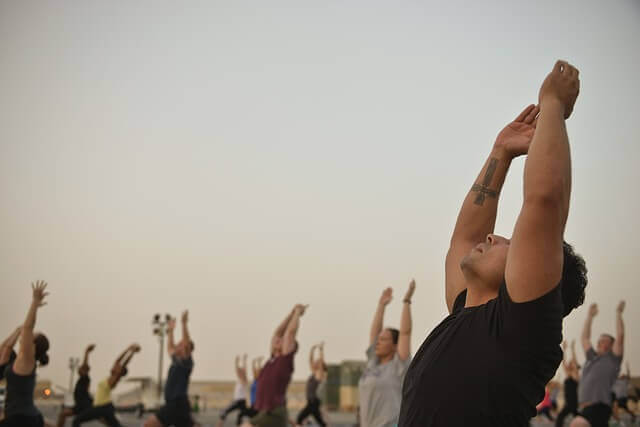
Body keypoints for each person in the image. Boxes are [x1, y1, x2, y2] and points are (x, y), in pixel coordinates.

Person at [398, 60, 587, 427]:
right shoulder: (464, 312)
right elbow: (464, 240)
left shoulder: (523, 328)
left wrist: (553, 105)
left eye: (511, 244)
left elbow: (544, 200)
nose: (491, 236)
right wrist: (501, 152)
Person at [359, 280, 415, 427]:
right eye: (378, 339)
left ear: (395, 346)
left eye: (383, 340)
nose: (378, 342)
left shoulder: (399, 366)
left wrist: (406, 301)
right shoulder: (372, 363)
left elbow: (405, 333)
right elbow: (374, 332)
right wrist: (381, 305)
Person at [246, 304, 307, 427]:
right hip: (267, 412)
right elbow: (277, 332)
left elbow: (289, 333)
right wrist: (290, 314)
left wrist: (297, 313)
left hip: (274, 412)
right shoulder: (273, 359)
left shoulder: (284, 361)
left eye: (283, 340)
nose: (279, 339)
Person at [0, 281, 50, 427]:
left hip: (23, 419)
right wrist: (17, 330)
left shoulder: (27, 360)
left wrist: (34, 303)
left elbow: (28, 327)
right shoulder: (18, 361)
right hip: (21, 417)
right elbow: (5, 347)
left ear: (32, 346)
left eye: (31, 336)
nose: (27, 335)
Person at [570, 301, 625, 427]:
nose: (600, 343)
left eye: (604, 341)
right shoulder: (592, 358)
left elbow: (620, 337)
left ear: (611, 346)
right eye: (599, 341)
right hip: (585, 407)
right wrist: (590, 316)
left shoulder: (613, 359)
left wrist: (618, 313)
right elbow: (585, 338)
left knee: (577, 424)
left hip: (599, 406)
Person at [144, 310, 197, 427]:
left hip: (176, 403)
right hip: (177, 405)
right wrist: (171, 331)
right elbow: (169, 347)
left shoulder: (186, 363)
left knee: (149, 424)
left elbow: (186, 344)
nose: (177, 346)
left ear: (186, 350)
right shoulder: (176, 360)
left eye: (180, 345)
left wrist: (184, 324)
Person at [72, 343, 141, 427]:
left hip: (102, 407)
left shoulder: (115, 378)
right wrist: (128, 349)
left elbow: (124, 363)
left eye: (117, 367)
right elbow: (118, 360)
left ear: (120, 372)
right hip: (106, 408)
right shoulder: (110, 377)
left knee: (76, 420)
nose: (114, 366)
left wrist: (132, 352)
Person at [56, 344, 96, 427]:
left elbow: (85, 364)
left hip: (86, 405)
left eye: (81, 368)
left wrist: (86, 352)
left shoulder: (85, 378)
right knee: (63, 415)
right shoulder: (81, 380)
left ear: (85, 371)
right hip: (79, 405)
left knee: (75, 420)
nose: (79, 369)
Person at [296, 343, 328, 427]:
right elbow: (310, 360)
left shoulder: (320, 374)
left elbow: (321, 363)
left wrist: (321, 350)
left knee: (299, 418)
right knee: (320, 421)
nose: (316, 362)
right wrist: (312, 350)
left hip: (313, 402)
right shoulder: (314, 373)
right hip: (311, 401)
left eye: (317, 362)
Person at [218, 355, 250, 427]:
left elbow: (244, 370)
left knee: (225, 412)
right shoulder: (239, 380)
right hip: (238, 401)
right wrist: (236, 362)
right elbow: (237, 370)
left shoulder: (244, 380)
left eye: (240, 372)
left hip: (240, 401)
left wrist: (244, 361)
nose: (238, 373)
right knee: (240, 416)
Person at [556, 340, 580, 427]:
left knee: (560, 417)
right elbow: (564, 362)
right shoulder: (568, 373)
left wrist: (573, 349)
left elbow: (575, 362)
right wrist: (565, 349)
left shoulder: (575, 375)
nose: (570, 364)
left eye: (571, 363)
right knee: (576, 416)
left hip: (572, 401)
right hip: (569, 401)